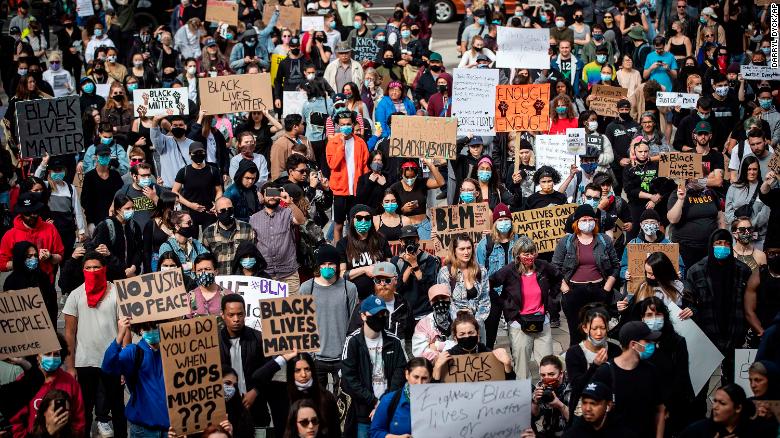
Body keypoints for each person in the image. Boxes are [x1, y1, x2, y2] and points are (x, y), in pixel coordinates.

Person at [62, 251, 126, 438]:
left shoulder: (117, 292)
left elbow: (125, 329)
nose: (92, 270)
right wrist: (70, 366)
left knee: (117, 409)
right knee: (84, 410)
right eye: (88, 267)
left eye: (96, 267)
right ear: (83, 270)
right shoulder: (76, 295)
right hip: (84, 361)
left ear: (104, 268)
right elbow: (69, 333)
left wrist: (124, 363)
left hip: (112, 360)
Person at [490, 235, 561, 379]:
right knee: (521, 366)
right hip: (519, 324)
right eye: (525, 253)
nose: (530, 256)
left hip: (542, 321)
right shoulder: (509, 270)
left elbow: (557, 277)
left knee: (547, 363)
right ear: (517, 255)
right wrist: (504, 305)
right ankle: (524, 396)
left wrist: (552, 301)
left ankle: (547, 394)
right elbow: (490, 283)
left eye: (532, 252)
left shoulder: (543, 266)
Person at [685, 229, 751, 384]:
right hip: (706, 335)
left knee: (734, 384)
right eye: (719, 243)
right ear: (711, 245)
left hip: (734, 334)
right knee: (701, 384)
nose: (723, 247)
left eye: (727, 243)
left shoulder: (742, 270)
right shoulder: (696, 271)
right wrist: (691, 309)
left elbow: (748, 303)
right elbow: (689, 301)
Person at [552, 205, 620, 346]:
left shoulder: (604, 240)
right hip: (574, 291)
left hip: (599, 290)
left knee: (598, 332)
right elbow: (554, 267)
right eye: (584, 219)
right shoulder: (566, 242)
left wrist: (606, 290)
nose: (588, 222)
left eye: (591, 219)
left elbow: (615, 266)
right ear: (577, 222)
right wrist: (566, 290)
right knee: (576, 336)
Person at [341, 295, 407, 438]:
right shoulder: (352, 342)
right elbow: (349, 378)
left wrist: (383, 403)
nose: (380, 317)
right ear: (363, 316)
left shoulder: (394, 341)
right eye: (376, 314)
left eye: (383, 313)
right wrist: (373, 401)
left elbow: (400, 373)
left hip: (388, 410)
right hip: (363, 413)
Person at [590, 321, 665, 437]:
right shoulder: (605, 373)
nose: (652, 344)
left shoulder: (651, 371)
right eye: (647, 341)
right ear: (633, 344)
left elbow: (660, 410)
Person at [300, 244, 358, 392]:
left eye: (331, 263)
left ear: (337, 265)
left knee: (344, 401)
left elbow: (353, 321)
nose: (327, 267)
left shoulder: (349, 288)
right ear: (318, 266)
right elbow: (301, 322)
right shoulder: (307, 288)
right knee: (318, 404)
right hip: (316, 358)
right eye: (323, 264)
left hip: (342, 357)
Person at [101, 317, 169, 436]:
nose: (152, 330)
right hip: (144, 429)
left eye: (155, 326)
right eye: (147, 327)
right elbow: (108, 366)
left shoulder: (172, 351)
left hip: (171, 429)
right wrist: (119, 337)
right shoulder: (134, 352)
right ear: (140, 329)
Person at [218, 294, 274, 435]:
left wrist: (255, 392)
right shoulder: (213, 342)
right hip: (225, 409)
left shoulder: (258, 338)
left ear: (245, 314)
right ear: (222, 315)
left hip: (257, 407)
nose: (236, 319)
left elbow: (268, 371)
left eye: (240, 314)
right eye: (231, 315)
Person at [9, 336, 86, 438]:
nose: (52, 358)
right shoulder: (24, 382)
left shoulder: (71, 383)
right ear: (37, 356)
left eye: (56, 354)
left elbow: (79, 420)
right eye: (47, 354)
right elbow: (15, 422)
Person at [564, 305, 622, 418]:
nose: (599, 333)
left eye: (603, 328)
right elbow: (577, 385)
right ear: (585, 328)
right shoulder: (574, 353)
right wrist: (594, 366)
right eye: (594, 328)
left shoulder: (615, 350)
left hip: (610, 407)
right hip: (583, 410)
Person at [249, 183, 306, 294]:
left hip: (289, 274)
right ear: (263, 195)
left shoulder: (287, 212)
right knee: (268, 310)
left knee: (292, 310)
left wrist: (290, 203)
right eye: (269, 193)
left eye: (275, 193)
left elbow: (301, 220)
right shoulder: (254, 219)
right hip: (266, 275)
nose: (272, 197)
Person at [0, 191, 64, 288]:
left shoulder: (50, 229)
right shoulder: (10, 235)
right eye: (27, 213)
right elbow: (2, 264)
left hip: (46, 282)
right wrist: (21, 262)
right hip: (20, 286)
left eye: (34, 212)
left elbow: (60, 256)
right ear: (21, 213)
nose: (32, 216)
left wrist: (50, 257)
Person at [438, 233, 491, 342]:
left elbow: (485, 299)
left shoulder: (481, 271)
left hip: (477, 326)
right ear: (454, 251)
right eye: (462, 249)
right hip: (456, 327)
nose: (466, 252)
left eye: (469, 248)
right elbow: (445, 302)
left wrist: (476, 321)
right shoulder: (445, 272)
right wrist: (460, 319)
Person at [326, 110, 369, 242]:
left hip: (356, 190)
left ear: (353, 124)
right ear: (338, 125)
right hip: (340, 190)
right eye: (342, 124)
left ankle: (354, 248)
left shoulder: (360, 142)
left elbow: (365, 165)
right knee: (338, 224)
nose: (346, 126)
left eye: (348, 124)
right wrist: (341, 147)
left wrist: (364, 186)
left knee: (354, 223)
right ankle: (339, 251)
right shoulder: (333, 142)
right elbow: (332, 164)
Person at [431, 312, 515, 380]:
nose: (467, 337)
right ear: (455, 338)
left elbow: (509, 385)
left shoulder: (490, 355)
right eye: (462, 334)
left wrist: (507, 365)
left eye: (471, 333)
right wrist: (437, 368)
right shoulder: (447, 357)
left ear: (478, 333)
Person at [680, 383, 777, 437]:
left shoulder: (756, 431)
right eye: (715, 401)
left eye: (722, 403)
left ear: (738, 408)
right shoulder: (696, 431)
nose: (715, 407)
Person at [667, 177, 724, 269]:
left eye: (703, 176)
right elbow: (673, 219)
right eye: (697, 176)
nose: (700, 179)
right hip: (686, 248)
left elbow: (720, 217)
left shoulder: (711, 193)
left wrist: (722, 236)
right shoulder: (677, 194)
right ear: (689, 178)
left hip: (710, 246)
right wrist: (680, 199)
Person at [369, 357, 432, 438]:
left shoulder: (439, 402)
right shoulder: (389, 400)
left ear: (430, 378)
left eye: (424, 378)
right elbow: (374, 432)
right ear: (407, 374)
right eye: (416, 377)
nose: (419, 383)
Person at [2, 241, 59, 324]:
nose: (33, 259)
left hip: (43, 324)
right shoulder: (11, 281)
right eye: (29, 256)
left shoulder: (42, 277)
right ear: (20, 258)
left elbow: (52, 305)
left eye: (35, 255)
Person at [172, 141, 223, 230]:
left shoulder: (213, 170)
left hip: (209, 211)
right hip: (190, 212)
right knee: (191, 239)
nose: (198, 155)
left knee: (209, 240)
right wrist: (190, 205)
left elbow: (219, 190)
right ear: (190, 155)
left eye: (201, 152)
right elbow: (174, 192)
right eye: (195, 153)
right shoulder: (183, 172)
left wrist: (217, 203)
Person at [390, 159, 445, 240]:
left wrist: (430, 165)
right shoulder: (395, 188)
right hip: (406, 227)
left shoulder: (421, 182)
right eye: (407, 177)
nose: (410, 179)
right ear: (402, 174)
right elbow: (390, 211)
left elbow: (441, 183)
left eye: (412, 177)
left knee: (427, 251)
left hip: (423, 225)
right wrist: (403, 209)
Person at [201, 197, 257, 275]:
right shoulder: (208, 232)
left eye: (230, 209)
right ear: (216, 213)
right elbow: (205, 259)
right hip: (219, 280)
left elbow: (254, 253)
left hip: (241, 279)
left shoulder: (246, 228)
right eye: (223, 210)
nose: (227, 213)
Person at [92, 194, 143, 278]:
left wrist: (133, 268)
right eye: (127, 208)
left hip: (131, 274)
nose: (132, 211)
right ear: (118, 210)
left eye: (133, 208)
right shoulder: (106, 226)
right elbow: (104, 254)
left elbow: (139, 249)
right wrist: (123, 269)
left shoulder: (134, 226)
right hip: (112, 276)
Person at [80, 143, 125, 231]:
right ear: (96, 157)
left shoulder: (115, 175)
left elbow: (121, 196)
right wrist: (90, 222)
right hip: (97, 221)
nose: (104, 157)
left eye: (107, 155)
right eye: (102, 155)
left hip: (115, 219)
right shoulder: (89, 177)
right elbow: (85, 201)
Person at [744, 246, 780, 348]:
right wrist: (762, 332)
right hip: (762, 332)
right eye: (772, 253)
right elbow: (749, 310)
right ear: (766, 253)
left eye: (779, 253)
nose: (776, 257)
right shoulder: (759, 274)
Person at [157, 211, 209, 278]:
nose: (192, 225)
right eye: (188, 223)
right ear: (177, 226)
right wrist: (193, 266)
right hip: (179, 286)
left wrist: (186, 266)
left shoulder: (195, 243)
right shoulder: (166, 247)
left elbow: (207, 260)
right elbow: (169, 270)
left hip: (197, 285)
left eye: (192, 222)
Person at [531, 355, 571, 436]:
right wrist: (535, 402)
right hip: (548, 431)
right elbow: (535, 415)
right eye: (543, 375)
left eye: (551, 374)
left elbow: (577, 421)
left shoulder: (572, 387)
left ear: (561, 374)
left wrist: (560, 405)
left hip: (568, 433)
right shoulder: (541, 386)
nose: (547, 378)